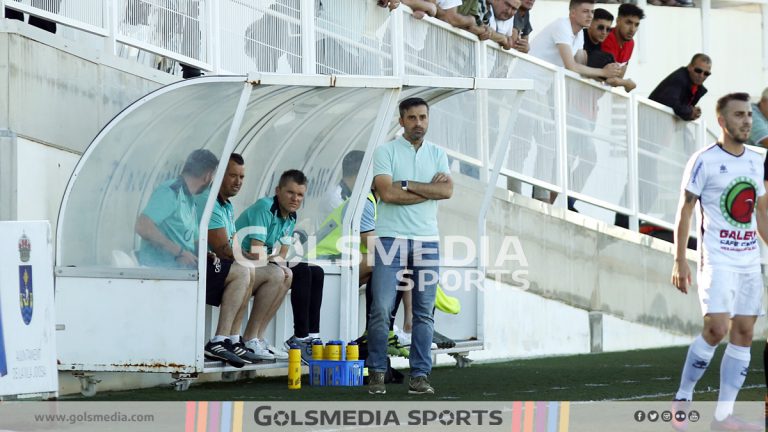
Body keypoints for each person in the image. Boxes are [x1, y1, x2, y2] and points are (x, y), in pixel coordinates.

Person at [670, 93, 765, 432]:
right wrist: (679, 260)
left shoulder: (757, 161)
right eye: (739, 115)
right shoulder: (704, 160)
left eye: (750, 116)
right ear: (722, 121)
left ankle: (724, 417)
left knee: (744, 332)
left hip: (749, 262)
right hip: (718, 260)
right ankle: (683, 396)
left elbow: (761, 211)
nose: (746, 121)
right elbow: (684, 211)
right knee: (717, 328)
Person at [367, 97, 453, 395]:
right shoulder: (385, 151)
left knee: (424, 311)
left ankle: (420, 375)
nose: (419, 123)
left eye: (423, 117)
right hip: (390, 239)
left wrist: (408, 184)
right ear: (401, 120)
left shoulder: (439, 154)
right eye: (412, 118)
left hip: (427, 241)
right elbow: (387, 194)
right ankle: (377, 371)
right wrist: (429, 189)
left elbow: (448, 190)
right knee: (380, 307)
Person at [203, 154, 290, 364]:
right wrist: (255, 258)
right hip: (204, 267)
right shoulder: (210, 202)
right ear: (218, 176)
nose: (238, 182)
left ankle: (241, 339)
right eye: (233, 175)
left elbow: (232, 246)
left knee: (282, 274)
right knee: (245, 269)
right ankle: (219, 340)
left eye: (241, 177)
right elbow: (224, 250)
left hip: (223, 265)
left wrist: (257, 259)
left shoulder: (227, 205)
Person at [235, 169, 325, 364]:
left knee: (316, 272)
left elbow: (282, 255)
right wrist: (276, 260)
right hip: (238, 263)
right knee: (298, 271)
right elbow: (257, 252)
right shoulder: (264, 208)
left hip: (256, 262)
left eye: (300, 194)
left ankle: (311, 335)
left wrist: (277, 261)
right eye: (290, 192)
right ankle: (299, 338)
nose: (295, 198)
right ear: (278, 191)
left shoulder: (291, 216)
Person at [136, 149, 218, 269]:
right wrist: (179, 253)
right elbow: (142, 226)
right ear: (207, 176)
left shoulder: (189, 199)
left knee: (237, 270)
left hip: (186, 268)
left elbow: (193, 240)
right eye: (213, 177)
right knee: (240, 273)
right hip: (163, 268)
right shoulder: (170, 191)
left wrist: (206, 255)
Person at [583, 8, 636, 92]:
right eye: (600, 27)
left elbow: (612, 79)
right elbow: (611, 80)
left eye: (608, 29)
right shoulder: (580, 37)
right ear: (589, 24)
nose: (604, 32)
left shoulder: (602, 45)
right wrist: (626, 83)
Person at [649, 53, 711, 121]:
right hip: (652, 120)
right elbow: (670, 102)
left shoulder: (697, 87)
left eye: (706, 73)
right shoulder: (679, 79)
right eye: (698, 71)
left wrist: (694, 112)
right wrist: (690, 111)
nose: (701, 76)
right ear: (690, 67)